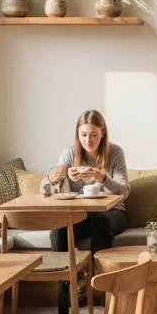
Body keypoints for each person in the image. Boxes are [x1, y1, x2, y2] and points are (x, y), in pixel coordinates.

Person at [44, 110, 130, 304]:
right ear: (77, 134)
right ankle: (65, 297)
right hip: (81, 215)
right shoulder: (70, 154)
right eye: (83, 135)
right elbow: (47, 189)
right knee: (58, 229)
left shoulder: (115, 152)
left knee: (100, 223)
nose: (88, 140)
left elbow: (124, 191)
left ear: (103, 133)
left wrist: (103, 177)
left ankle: (99, 291)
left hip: (112, 213)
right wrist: (51, 178)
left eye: (93, 135)